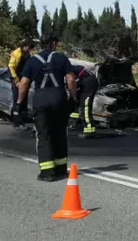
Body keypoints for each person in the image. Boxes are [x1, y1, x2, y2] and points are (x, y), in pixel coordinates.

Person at [16, 35, 77, 182]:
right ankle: (61, 169)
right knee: (60, 133)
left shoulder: (32, 60)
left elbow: (23, 84)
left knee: (44, 135)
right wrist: (73, 98)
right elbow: (71, 79)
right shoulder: (61, 57)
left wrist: (19, 103)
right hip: (59, 98)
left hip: (41, 99)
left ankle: (47, 172)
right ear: (53, 44)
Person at [8, 40, 34, 130]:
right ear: (24, 46)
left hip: (24, 79)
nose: (30, 50)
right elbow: (10, 67)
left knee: (24, 100)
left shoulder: (27, 54)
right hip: (17, 79)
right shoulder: (16, 54)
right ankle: (16, 122)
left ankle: (23, 119)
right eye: (29, 48)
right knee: (17, 100)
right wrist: (16, 80)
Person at [71, 63, 99, 138]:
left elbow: (71, 81)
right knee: (78, 102)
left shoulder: (70, 70)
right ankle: (76, 122)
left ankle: (89, 130)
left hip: (89, 86)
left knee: (85, 108)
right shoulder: (75, 67)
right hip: (87, 84)